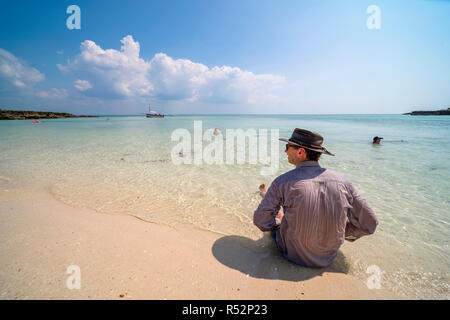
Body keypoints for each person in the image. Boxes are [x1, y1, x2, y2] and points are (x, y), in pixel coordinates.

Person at [253, 128, 378, 268]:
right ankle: (269, 196)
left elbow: (260, 221)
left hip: (292, 255)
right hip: (328, 258)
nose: (285, 151)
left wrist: (279, 227)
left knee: (281, 214)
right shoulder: (344, 182)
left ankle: (266, 194)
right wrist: (340, 231)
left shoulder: (282, 182)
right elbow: (370, 223)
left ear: (301, 152)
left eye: (287, 147)